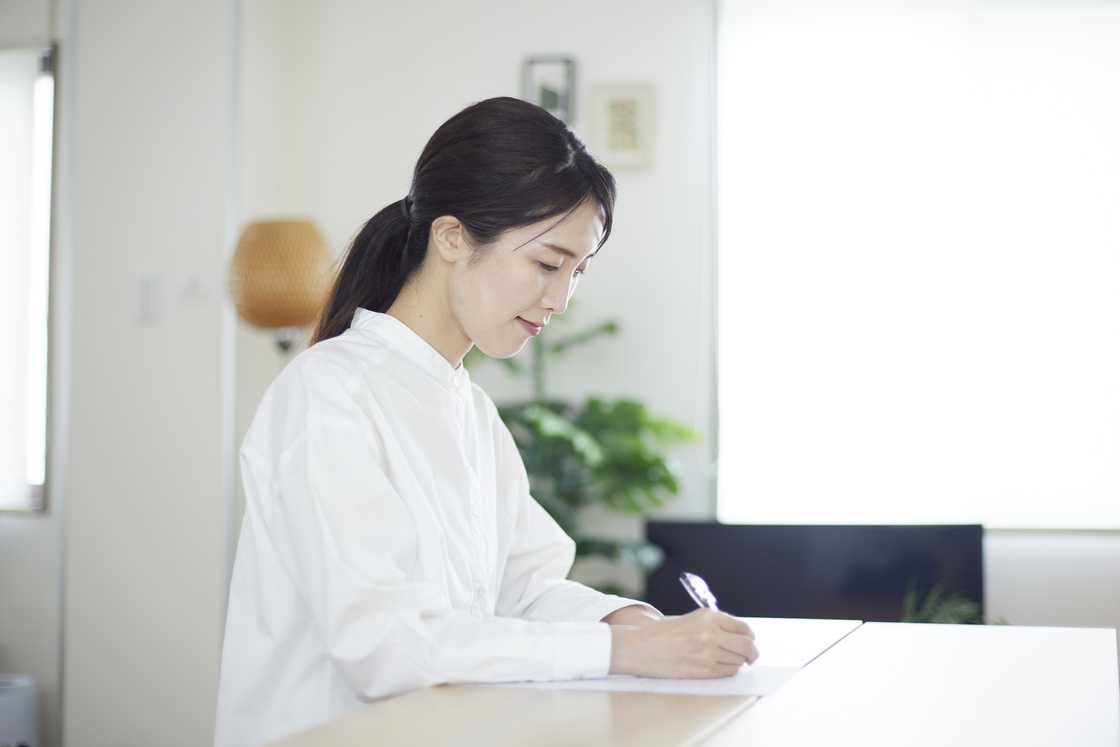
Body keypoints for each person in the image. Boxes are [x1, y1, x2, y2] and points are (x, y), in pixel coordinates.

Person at [213, 96, 758, 747]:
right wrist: (622, 652)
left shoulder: (468, 409)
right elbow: (386, 642)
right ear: (451, 237)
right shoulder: (326, 393)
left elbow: (524, 589)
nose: (559, 300)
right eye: (548, 263)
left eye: (576, 272)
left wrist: (633, 620)